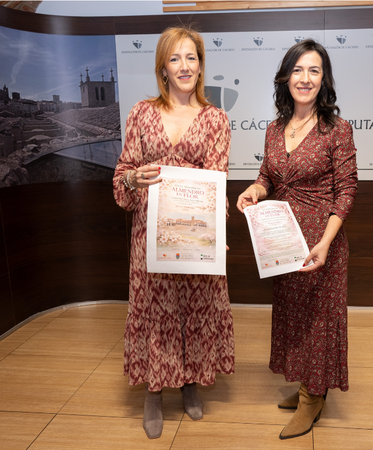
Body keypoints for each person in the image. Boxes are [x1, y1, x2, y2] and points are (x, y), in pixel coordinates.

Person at [113, 25, 235, 440]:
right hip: (150, 236)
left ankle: (189, 382)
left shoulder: (216, 119)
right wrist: (132, 179)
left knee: (195, 308)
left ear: (201, 66)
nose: (184, 66)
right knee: (154, 311)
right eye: (175, 58)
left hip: (195, 235)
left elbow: (217, 182)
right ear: (162, 68)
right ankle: (153, 391)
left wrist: (217, 233)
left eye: (192, 58)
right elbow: (123, 172)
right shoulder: (141, 113)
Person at [236, 39, 358, 440]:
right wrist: (255, 189)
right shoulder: (274, 129)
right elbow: (268, 177)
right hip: (283, 241)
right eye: (298, 70)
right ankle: (309, 384)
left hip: (322, 242)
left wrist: (326, 242)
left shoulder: (336, 129)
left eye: (314, 71)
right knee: (295, 317)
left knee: (319, 321)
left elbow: (347, 191)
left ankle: (312, 398)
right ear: (286, 77)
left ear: (324, 80)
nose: (305, 78)